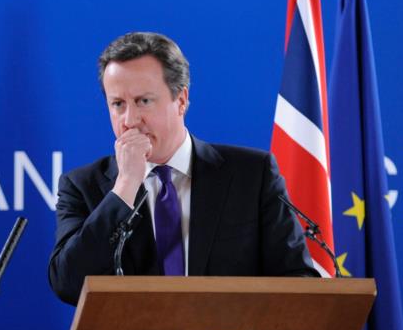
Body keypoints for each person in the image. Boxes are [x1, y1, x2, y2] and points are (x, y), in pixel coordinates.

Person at [48, 32, 318, 306]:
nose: (129, 120)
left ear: (181, 100)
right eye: (118, 104)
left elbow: (298, 278)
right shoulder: (82, 186)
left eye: (144, 101)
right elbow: (69, 284)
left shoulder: (252, 174)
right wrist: (125, 187)